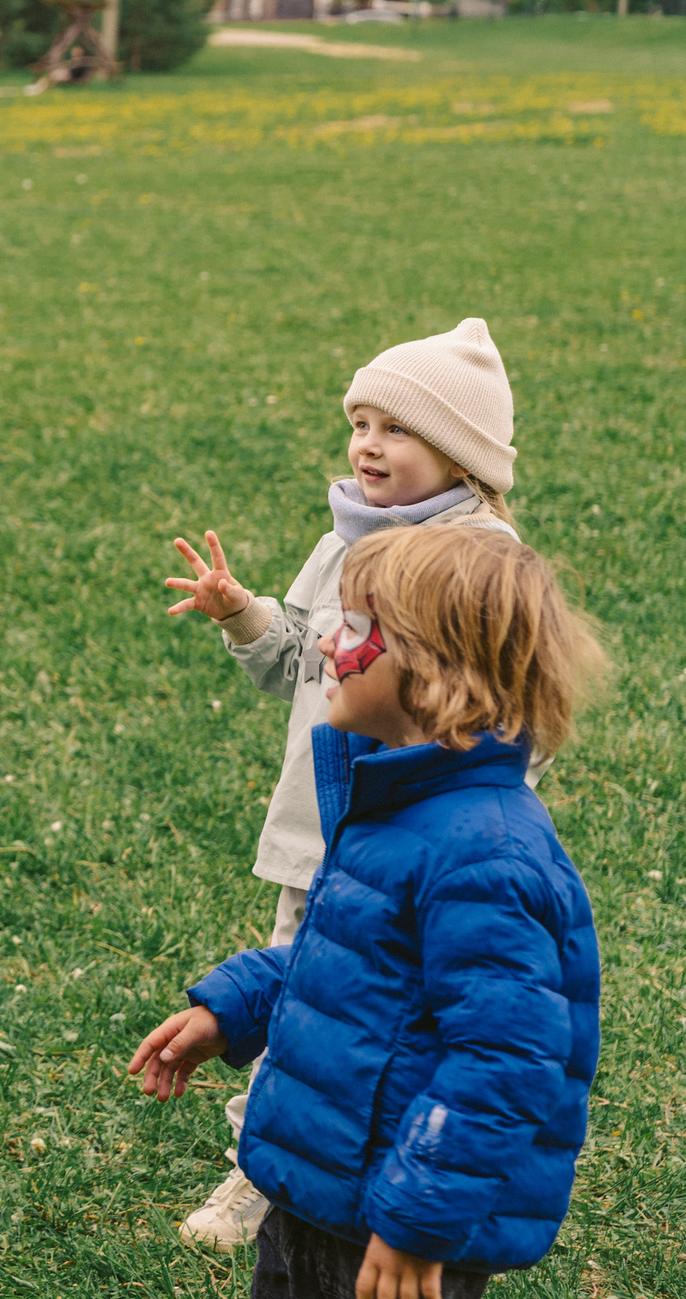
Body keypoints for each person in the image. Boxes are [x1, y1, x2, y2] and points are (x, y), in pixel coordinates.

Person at [130, 523, 602, 1299]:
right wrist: (241, 1003)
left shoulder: (488, 854)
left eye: (352, 626)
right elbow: (350, 958)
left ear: (436, 670)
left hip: (401, 1237)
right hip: (319, 1193)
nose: (324, 642)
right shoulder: (393, 800)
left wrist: (419, 1219)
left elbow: (506, 1064)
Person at [159, 317, 520, 1246]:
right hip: (320, 835)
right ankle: (260, 1170)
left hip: (426, 845)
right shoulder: (342, 541)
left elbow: (521, 709)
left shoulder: (478, 563)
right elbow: (297, 665)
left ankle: (403, 1165)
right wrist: (242, 614)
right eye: (359, 422)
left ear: (458, 452)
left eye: (394, 428)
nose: (366, 444)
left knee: (414, 1010)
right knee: (310, 1000)